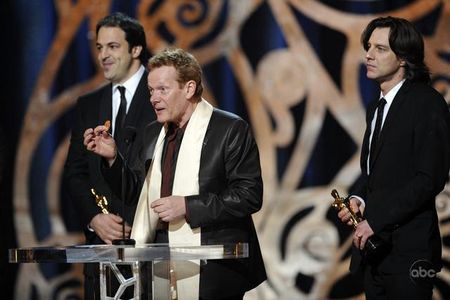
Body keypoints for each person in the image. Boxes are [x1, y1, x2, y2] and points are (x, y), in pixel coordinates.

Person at [84, 47, 267, 299]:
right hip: (159, 258)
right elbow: (137, 194)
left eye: (163, 89)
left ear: (189, 89)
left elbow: (249, 195)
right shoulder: (152, 133)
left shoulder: (230, 129)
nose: (153, 98)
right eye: (151, 90)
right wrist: (113, 159)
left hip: (214, 264)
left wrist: (188, 206)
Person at [338, 16, 450, 299]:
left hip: (409, 255)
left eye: (380, 48)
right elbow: (375, 174)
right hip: (375, 256)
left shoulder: (426, 103)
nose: (368, 54)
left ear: (403, 58)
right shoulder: (376, 107)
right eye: (368, 46)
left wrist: (376, 220)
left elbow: (429, 179)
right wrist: (359, 199)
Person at [63, 12, 155, 299]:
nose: (103, 55)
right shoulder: (89, 105)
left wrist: (142, 222)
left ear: (136, 49)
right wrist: (94, 218)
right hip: (102, 248)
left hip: (152, 246)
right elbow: (75, 172)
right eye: (100, 47)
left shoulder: (160, 96)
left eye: (113, 47)